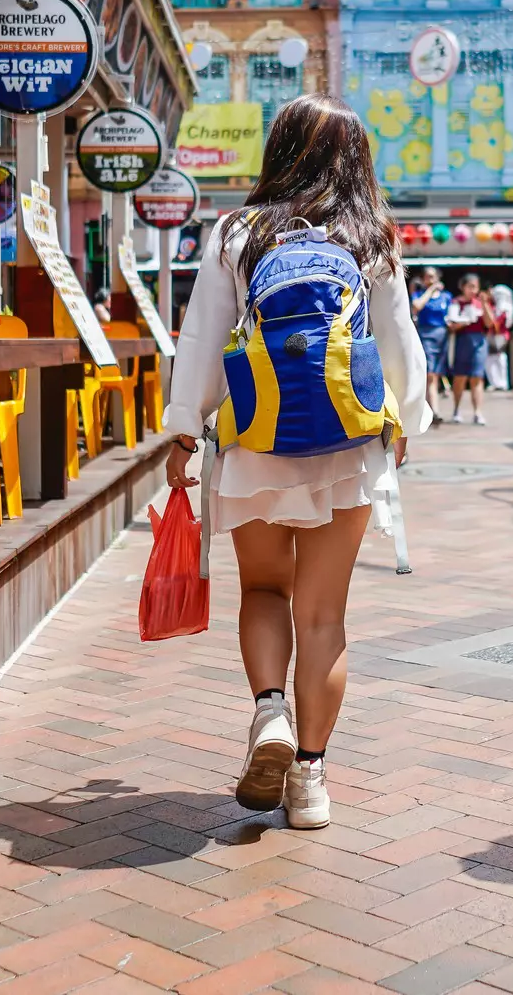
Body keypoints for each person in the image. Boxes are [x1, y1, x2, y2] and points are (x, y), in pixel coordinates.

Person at [164, 95, 430, 831]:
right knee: (324, 616)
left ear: (278, 151)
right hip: (347, 447)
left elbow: (202, 340)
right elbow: (401, 343)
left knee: (262, 590)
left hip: (256, 440)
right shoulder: (371, 237)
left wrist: (185, 429)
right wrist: (407, 418)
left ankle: (269, 713)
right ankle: (309, 777)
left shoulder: (236, 232)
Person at [444, 273, 498, 424]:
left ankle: (477, 412)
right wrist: (465, 322)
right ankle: (456, 409)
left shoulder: (480, 303)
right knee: (460, 377)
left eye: (475, 287)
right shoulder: (456, 303)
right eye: (470, 287)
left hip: (479, 341)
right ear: (463, 287)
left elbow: (489, 323)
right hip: (462, 341)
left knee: (477, 377)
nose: (473, 290)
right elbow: (452, 326)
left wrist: (485, 304)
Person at [411, 267, 453, 404]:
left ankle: (433, 405)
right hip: (425, 334)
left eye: (432, 276)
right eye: (427, 277)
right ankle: (432, 408)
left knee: (437, 372)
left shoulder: (446, 296)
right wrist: (430, 290)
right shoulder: (418, 294)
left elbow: (451, 314)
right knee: (429, 373)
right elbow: (416, 307)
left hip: (442, 336)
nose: (430, 279)